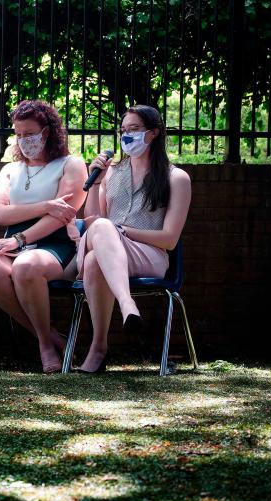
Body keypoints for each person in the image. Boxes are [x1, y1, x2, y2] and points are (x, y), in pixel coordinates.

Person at [75, 104, 192, 373]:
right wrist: (94, 184)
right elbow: (93, 223)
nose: (127, 136)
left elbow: (169, 239)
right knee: (94, 257)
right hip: (107, 248)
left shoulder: (176, 178)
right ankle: (109, 332)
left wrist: (123, 231)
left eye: (134, 130)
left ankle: (108, 333)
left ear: (154, 133)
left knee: (104, 236)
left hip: (149, 255)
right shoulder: (111, 174)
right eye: (123, 130)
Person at [0, 100, 88, 373]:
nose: (24, 140)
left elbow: (61, 214)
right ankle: (50, 337)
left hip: (57, 245)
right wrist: (45, 205)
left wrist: (19, 239)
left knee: (26, 266)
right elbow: (1, 215)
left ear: (47, 132)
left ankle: (45, 347)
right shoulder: (10, 170)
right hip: (12, 244)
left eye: (30, 134)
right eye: (19, 134)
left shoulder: (71, 164)